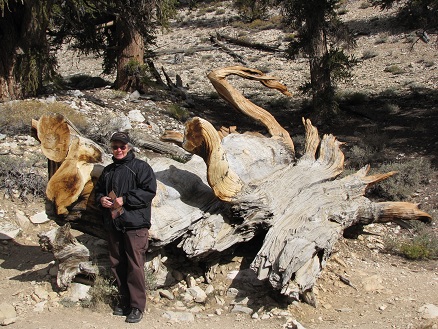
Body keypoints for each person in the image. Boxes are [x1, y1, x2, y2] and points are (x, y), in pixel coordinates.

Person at [95, 131, 157, 323]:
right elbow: (98, 191)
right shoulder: (108, 171)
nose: (119, 150)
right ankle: (124, 302)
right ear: (111, 148)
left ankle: (137, 306)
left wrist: (125, 199)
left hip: (135, 225)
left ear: (129, 147)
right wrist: (101, 199)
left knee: (135, 265)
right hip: (114, 224)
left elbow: (148, 191)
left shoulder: (141, 167)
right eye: (115, 147)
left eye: (122, 146)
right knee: (116, 263)